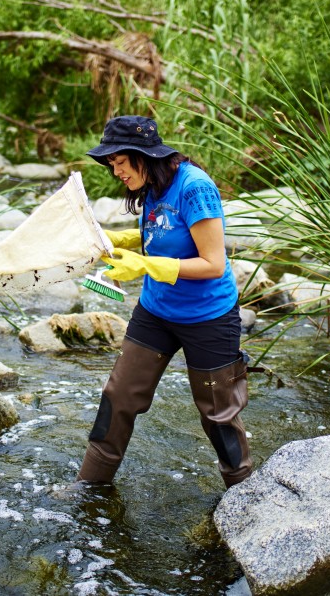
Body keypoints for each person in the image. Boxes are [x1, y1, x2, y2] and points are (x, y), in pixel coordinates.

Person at [77, 115, 253, 489]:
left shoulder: (195, 187)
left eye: (120, 163)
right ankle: (88, 489)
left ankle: (244, 497)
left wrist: (144, 265)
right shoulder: (153, 184)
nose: (116, 172)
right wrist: (122, 240)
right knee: (118, 397)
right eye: (111, 165)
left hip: (209, 317)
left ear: (142, 155)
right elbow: (165, 231)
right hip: (155, 312)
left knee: (217, 416)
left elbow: (212, 262)